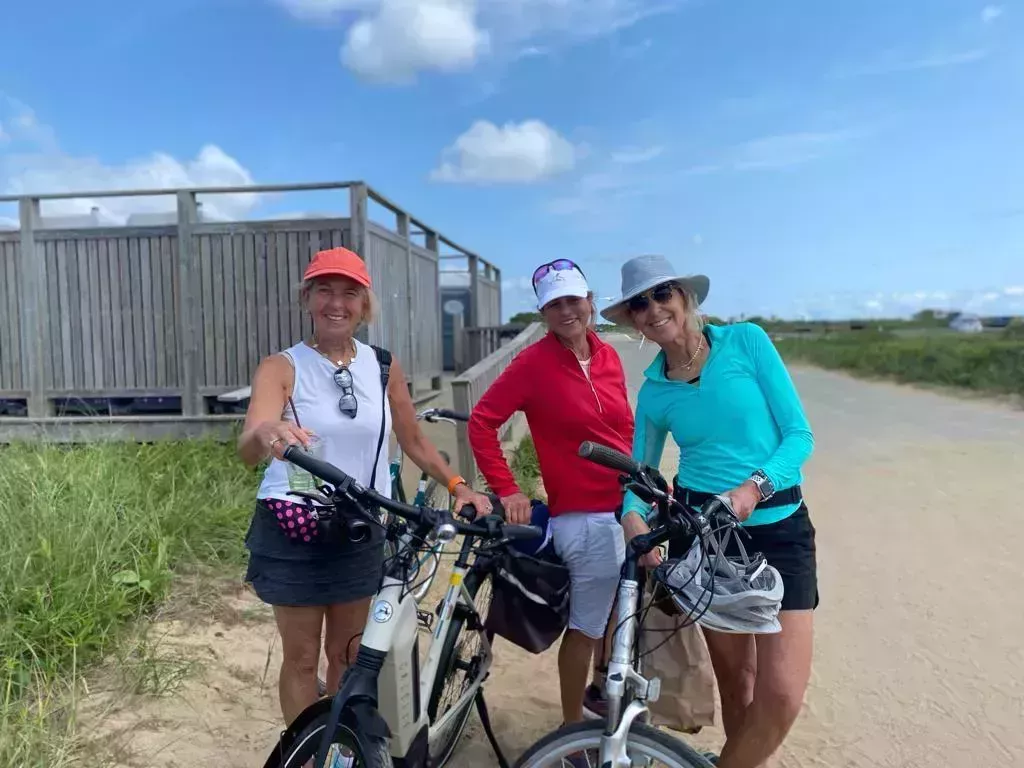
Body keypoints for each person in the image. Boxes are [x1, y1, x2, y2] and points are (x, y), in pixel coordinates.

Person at [237, 246, 493, 727]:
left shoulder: (382, 366)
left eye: (349, 293)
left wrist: (459, 485)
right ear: (307, 299)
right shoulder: (281, 366)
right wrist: (266, 434)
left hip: (360, 523)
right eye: (324, 291)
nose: (337, 303)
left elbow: (414, 439)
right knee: (300, 659)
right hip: (295, 527)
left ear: (365, 305)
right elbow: (250, 444)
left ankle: (338, 745)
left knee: (348, 654)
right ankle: (303, 752)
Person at [600, 254, 817, 768]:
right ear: (632, 320)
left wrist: (752, 489)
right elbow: (641, 474)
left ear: (685, 298)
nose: (653, 310)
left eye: (662, 295)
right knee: (737, 686)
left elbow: (799, 436)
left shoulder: (747, 342)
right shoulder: (654, 391)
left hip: (779, 528)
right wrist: (630, 514)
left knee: (782, 694)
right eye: (639, 304)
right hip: (702, 538)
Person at [467, 258, 635, 728]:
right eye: (554, 304)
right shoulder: (533, 363)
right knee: (585, 628)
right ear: (543, 313)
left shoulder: (608, 355)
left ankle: (601, 697)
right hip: (584, 518)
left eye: (573, 300)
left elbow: (625, 432)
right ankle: (570, 730)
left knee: (618, 618)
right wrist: (508, 489)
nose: (566, 311)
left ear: (590, 302)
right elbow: (481, 423)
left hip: (628, 508)